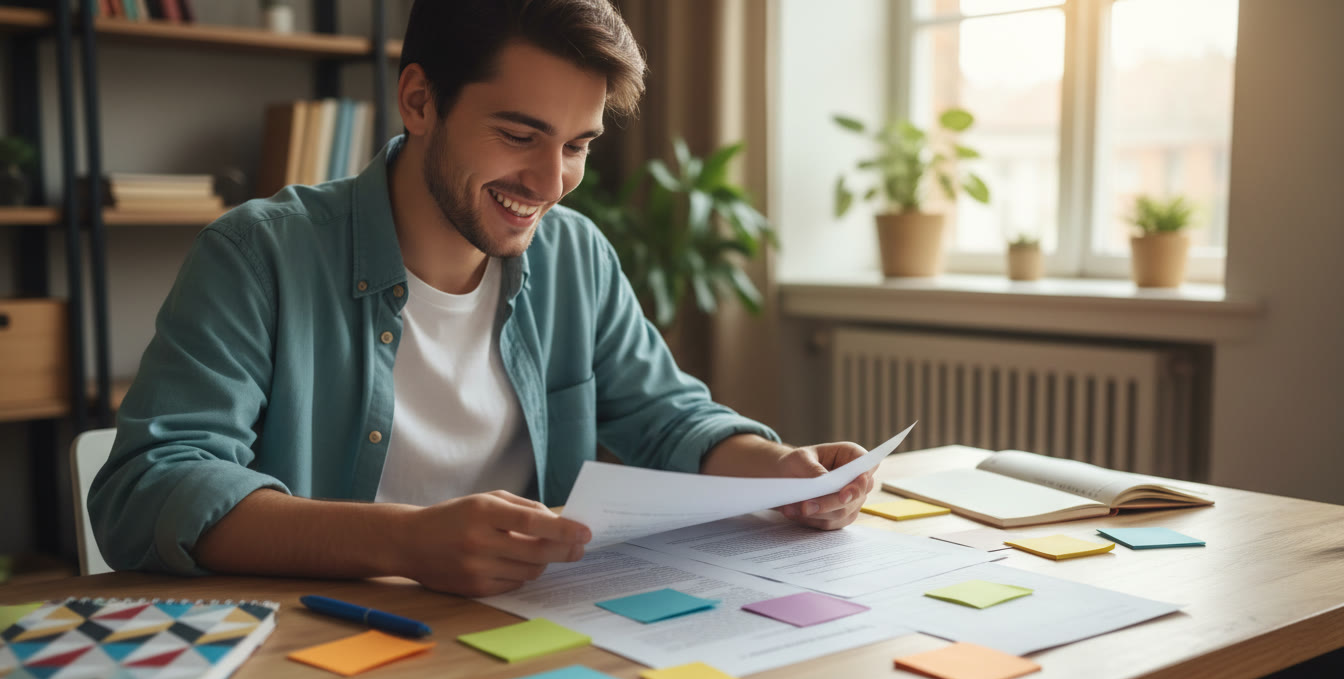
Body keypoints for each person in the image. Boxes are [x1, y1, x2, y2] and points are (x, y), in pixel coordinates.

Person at [89, 0, 876, 597]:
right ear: (420, 101)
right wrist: (404, 544)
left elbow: (668, 418)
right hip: (317, 648)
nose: (549, 184)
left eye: (577, 146)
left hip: (514, 635)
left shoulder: (577, 256)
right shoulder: (260, 253)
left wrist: (778, 471)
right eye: (520, 134)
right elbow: (148, 488)